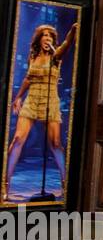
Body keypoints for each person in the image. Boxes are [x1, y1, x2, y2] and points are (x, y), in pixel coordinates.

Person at [5, 22, 75, 192]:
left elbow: (67, 43)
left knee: (55, 143)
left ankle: (65, 183)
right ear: (39, 39)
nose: (47, 38)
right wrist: (18, 97)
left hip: (50, 99)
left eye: (50, 36)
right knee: (18, 139)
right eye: (44, 36)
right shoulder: (32, 56)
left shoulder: (56, 55)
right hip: (32, 98)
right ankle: (5, 183)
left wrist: (73, 29)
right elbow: (28, 78)